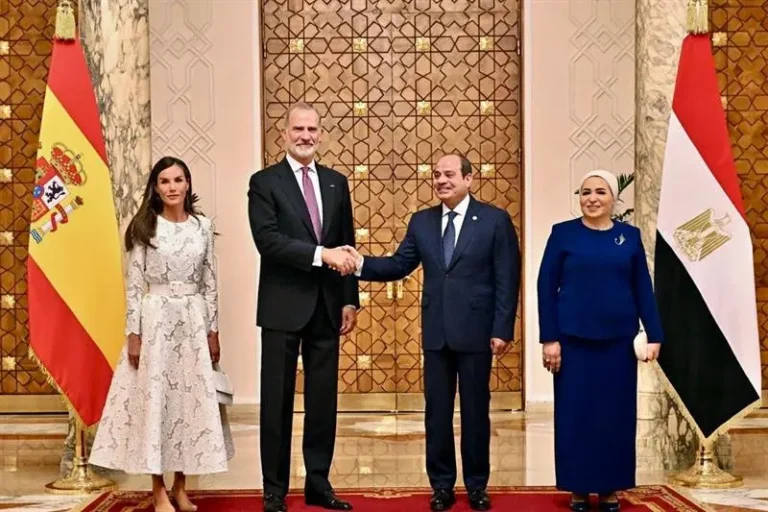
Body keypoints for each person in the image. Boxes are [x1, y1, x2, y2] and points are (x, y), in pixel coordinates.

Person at [343, 154, 520, 511]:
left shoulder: (494, 220)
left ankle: (476, 485)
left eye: (449, 174)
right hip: (436, 333)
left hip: (477, 331)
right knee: (436, 412)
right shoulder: (422, 222)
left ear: (469, 179)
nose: (441, 180)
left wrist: (502, 328)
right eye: (437, 175)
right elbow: (398, 264)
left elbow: (507, 278)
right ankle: (441, 485)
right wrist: (359, 263)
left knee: (475, 410)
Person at [90, 156, 233, 512]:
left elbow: (210, 282)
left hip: (193, 321)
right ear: (155, 187)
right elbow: (135, 285)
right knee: (156, 403)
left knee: (187, 404)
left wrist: (213, 329)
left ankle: (181, 488)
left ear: (188, 185)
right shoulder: (145, 226)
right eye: (165, 181)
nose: (172, 187)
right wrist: (133, 333)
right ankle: (157, 490)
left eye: (178, 180)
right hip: (155, 323)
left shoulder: (202, 227)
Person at [248, 103, 359, 512]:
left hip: (328, 307)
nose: (306, 135)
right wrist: (320, 256)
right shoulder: (264, 182)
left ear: (321, 134)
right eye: (299, 128)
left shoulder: (336, 182)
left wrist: (350, 298)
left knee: (323, 401)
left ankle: (318, 483)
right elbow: (269, 242)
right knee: (275, 400)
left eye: (313, 129)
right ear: (284, 133)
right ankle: (274, 488)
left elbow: (346, 242)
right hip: (281, 306)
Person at [536, 170, 663, 512]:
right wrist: (549, 339)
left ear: (613, 199)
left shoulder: (630, 237)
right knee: (576, 416)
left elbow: (643, 290)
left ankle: (609, 487)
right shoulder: (562, 234)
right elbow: (545, 287)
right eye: (586, 192)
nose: (592, 198)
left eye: (601, 192)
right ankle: (578, 486)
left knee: (614, 417)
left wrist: (654, 334)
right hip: (573, 343)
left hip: (618, 345)